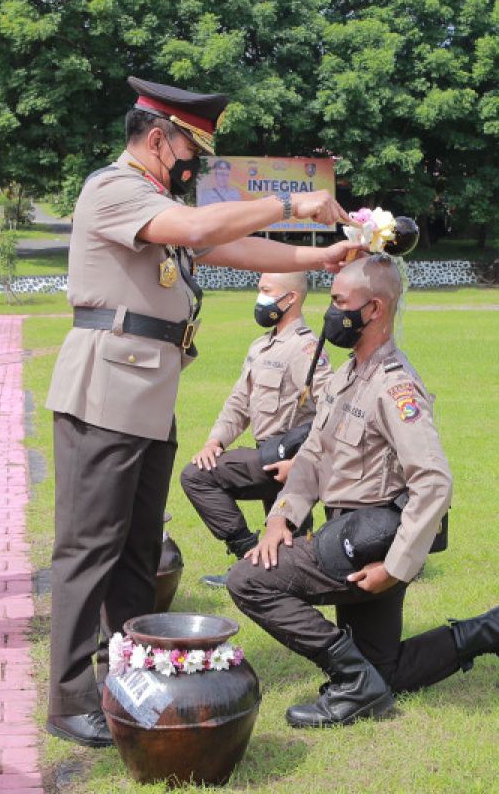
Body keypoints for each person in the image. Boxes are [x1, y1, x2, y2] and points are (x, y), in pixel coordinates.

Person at [43, 75, 359, 748]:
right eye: (190, 150)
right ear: (156, 139)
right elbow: (200, 227)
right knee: (88, 550)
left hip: (146, 398)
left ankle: (128, 675)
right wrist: (291, 199)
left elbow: (227, 248)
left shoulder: (155, 198)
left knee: (135, 554)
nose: (195, 164)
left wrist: (320, 255)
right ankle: (71, 699)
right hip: (105, 393)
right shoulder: (115, 189)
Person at [227, 254, 499, 728]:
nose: (330, 313)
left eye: (338, 302)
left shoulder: (396, 389)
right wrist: (280, 518)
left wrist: (396, 568)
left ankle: (353, 684)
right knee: (385, 669)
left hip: (370, 541)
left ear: (373, 309)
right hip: (349, 533)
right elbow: (313, 454)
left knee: (247, 580)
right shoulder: (347, 373)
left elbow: (434, 482)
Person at [180, 272, 332, 587]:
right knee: (292, 544)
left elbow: (332, 411)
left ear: (290, 298)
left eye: (265, 291)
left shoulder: (306, 349)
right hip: (266, 452)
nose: (259, 298)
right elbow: (239, 402)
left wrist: (301, 464)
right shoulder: (261, 346)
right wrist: (214, 441)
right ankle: (252, 557)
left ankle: (262, 566)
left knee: (197, 478)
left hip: (291, 459)